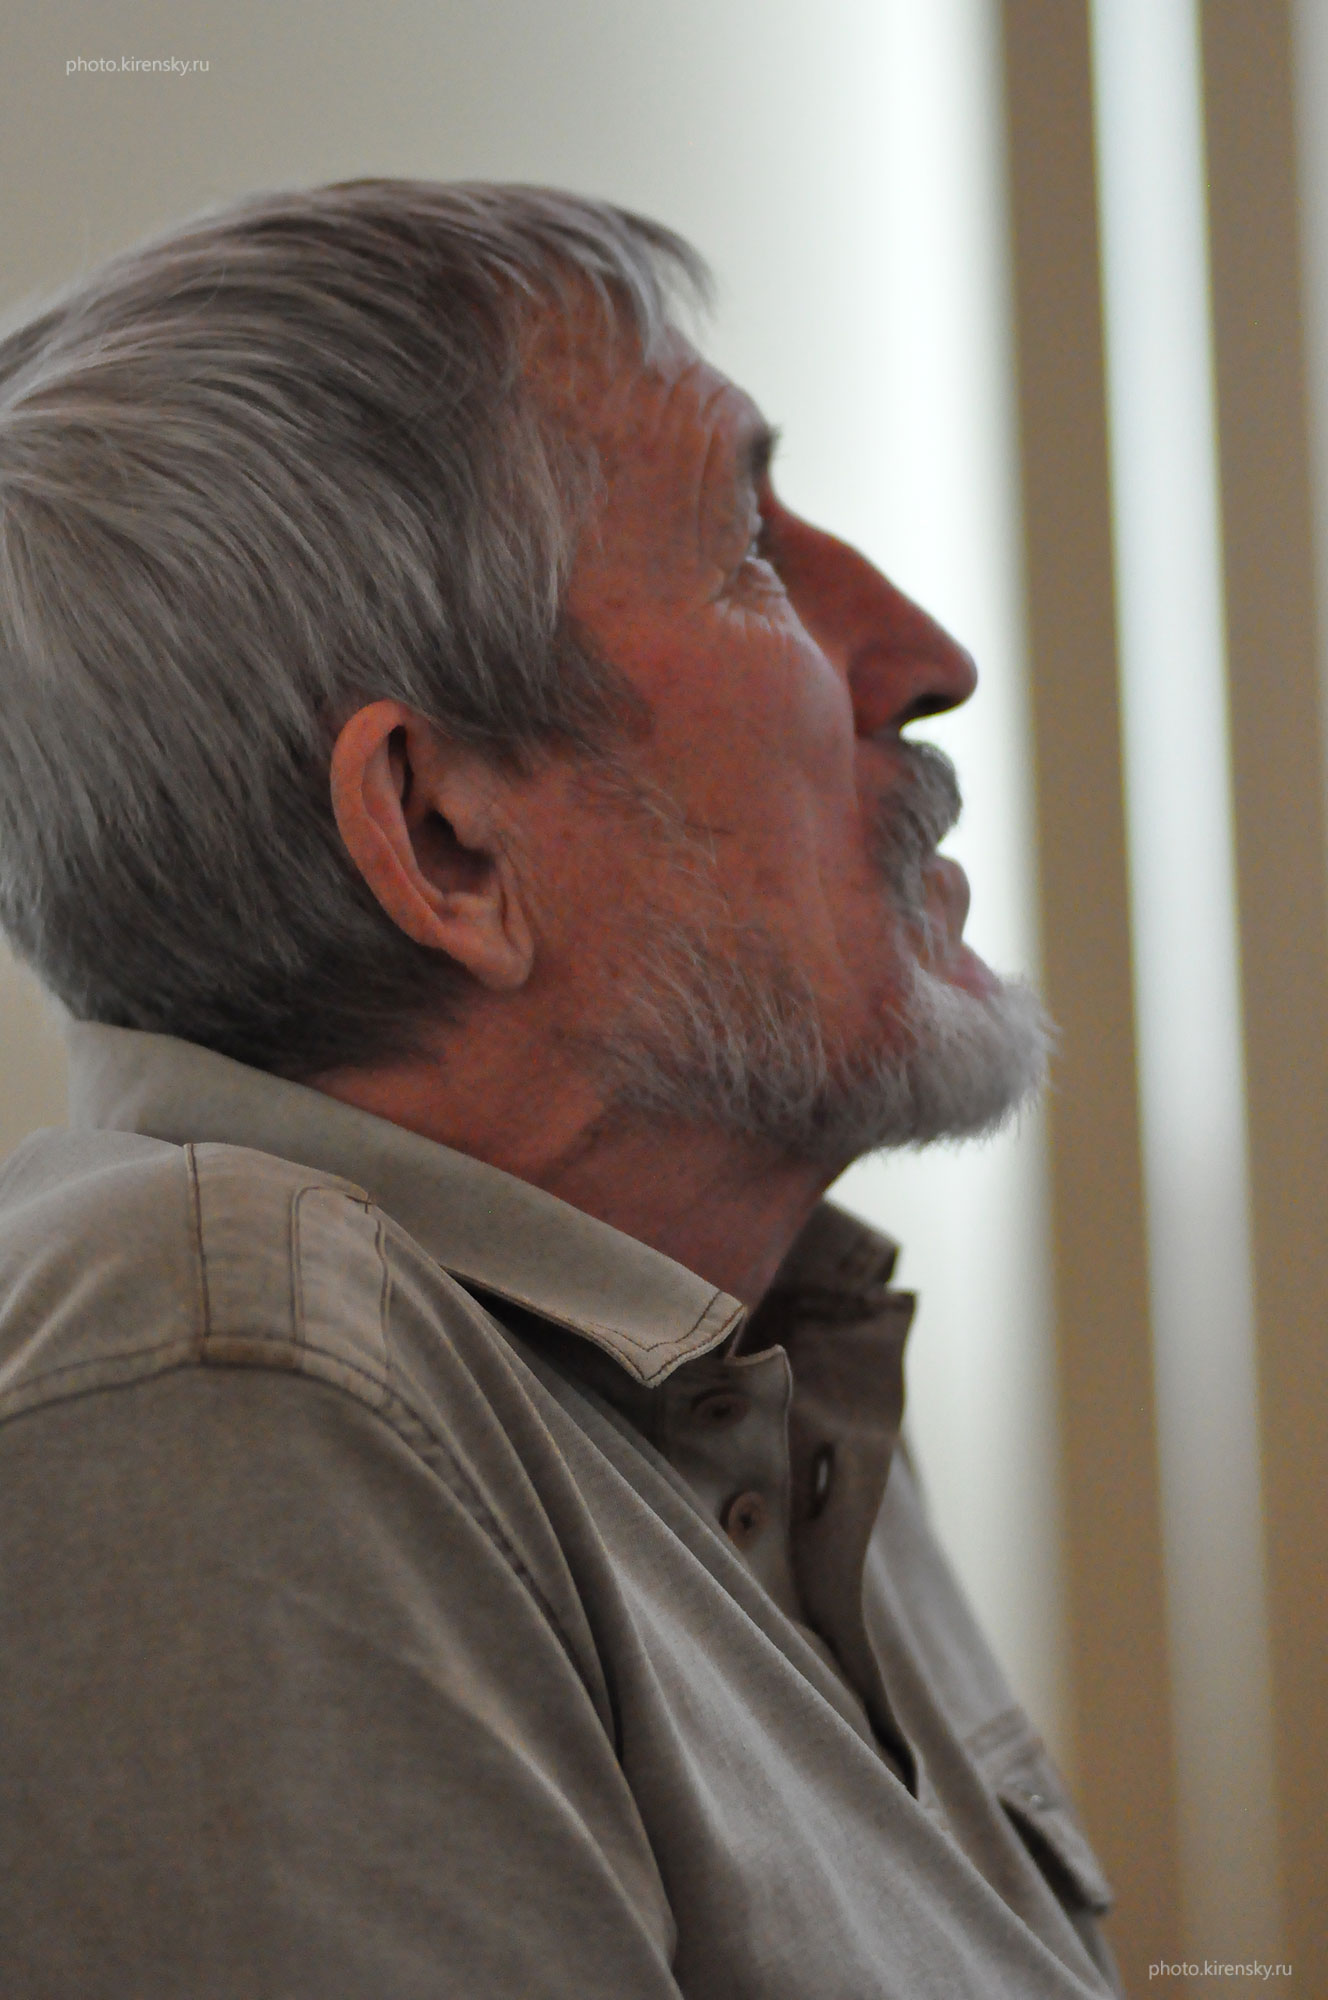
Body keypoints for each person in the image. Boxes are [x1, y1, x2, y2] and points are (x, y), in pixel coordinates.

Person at [0, 181, 1118, 1997]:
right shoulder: (224, 1365)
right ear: (446, 835)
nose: (926, 658)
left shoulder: (748, 1337)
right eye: (749, 552)